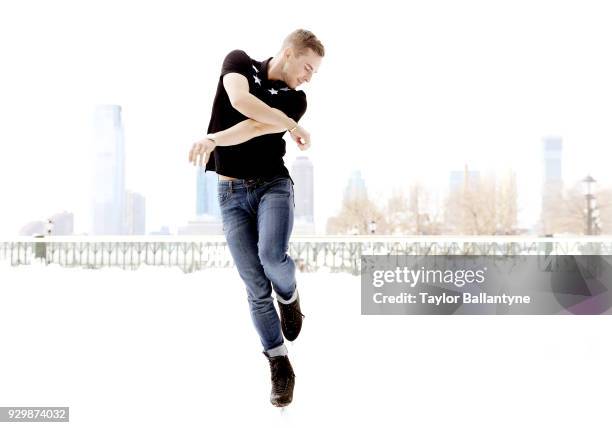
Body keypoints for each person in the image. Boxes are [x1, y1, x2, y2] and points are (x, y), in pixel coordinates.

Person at [188, 29, 324, 407]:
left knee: (272, 257)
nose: (309, 77)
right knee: (253, 286)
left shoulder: (296, 99)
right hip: (230, 193)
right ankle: (279, 362)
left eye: (314, 72)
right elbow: (241, 100)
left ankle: (290, 294)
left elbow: (253, 126)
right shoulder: (239, 62)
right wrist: (290, 126)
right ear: (289, 53)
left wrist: (216, 137)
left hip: (272, 185)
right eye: (308, 67)